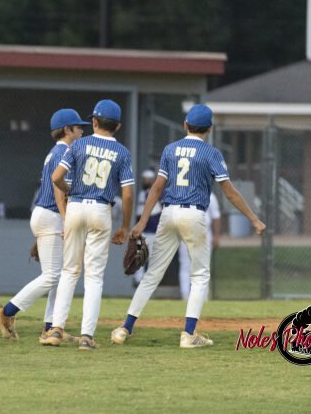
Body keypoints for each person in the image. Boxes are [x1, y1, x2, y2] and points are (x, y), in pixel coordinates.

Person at [111, 104, 266, 348]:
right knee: (200, 275)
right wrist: (253, 218)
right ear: (210, 129)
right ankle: (189, 334)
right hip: (193, 215)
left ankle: (124, 328)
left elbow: (157, 188)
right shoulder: (212, 153)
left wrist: (141, 222)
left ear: (185, 125)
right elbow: (230, 193)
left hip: (168, 213)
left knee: (152, 274)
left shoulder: (170, 150)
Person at [41, 99, 135, 351]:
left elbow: (56, 177)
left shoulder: (79, 144)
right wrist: (125, 226)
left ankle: (56, 329)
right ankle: (86, 336)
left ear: (93, 121)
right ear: (118, 126)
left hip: (76, 206)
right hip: (101, 210)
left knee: (70, 271)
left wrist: (71, 192)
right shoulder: (123, 153)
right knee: (93, 276)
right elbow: (127, 194)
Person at [0, 108, 88, 343]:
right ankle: (6, 313)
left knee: (60, 275)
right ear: (67, 129)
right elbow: (57, 189)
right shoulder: (66, 151)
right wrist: (67, 219)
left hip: (45, 214)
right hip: (52, 214)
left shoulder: (55, 151)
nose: (82, 129)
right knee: (53, 276)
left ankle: (51, 327)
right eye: (78, 126)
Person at [179, 191, 221, 300]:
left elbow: (215, 217)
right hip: (186, 234)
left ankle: (203, 298)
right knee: (186, 266)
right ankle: (185, 297)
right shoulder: (183, 194)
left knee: (203, 267)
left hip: (205, 235)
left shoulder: (210, 195)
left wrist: (216, 236)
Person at [132, 168, 162, 288]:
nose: (147, 181)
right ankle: (140, 281)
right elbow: (140, 214)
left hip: (153, 231)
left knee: (151, 259)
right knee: (141, 258)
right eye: (145, 179)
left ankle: (147, 283)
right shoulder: (142, 194)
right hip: (145, 231)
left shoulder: (155, 194)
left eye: (149, 180)